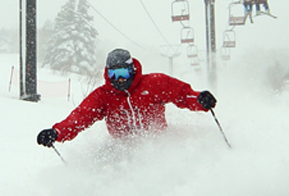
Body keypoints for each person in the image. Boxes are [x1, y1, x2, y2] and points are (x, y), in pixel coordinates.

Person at [37, 48, 217, 147]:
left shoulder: (153, 83)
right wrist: (57, 132)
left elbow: (182, 95)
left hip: (157, 145)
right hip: (123, 148)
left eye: (123, 72)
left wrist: (199, 99)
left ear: (132, 69)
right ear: (108, 74)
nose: (120, 78)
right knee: (109, 165)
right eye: (114, 74)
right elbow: (80, 117)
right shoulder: (103, 96)